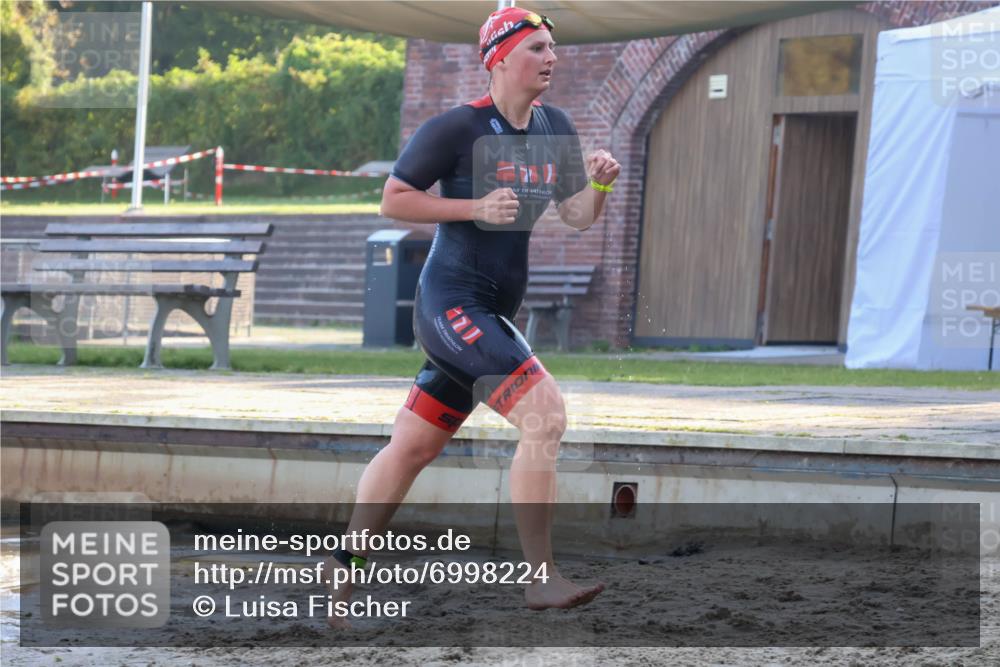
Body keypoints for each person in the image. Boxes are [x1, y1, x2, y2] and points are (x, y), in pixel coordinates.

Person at [322, 6, 620, 627]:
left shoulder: (555, 126)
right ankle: (540, 580)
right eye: (538, 47)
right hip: (453, 304)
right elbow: (393, 199)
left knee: (411, 448)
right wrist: (474, 204)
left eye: (552, 47)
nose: (551, 57)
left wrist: (596, 187)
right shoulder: (457, 128)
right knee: (547, 416)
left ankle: (341, 571)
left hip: (491, 312)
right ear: (501, 57)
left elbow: (574, 218)